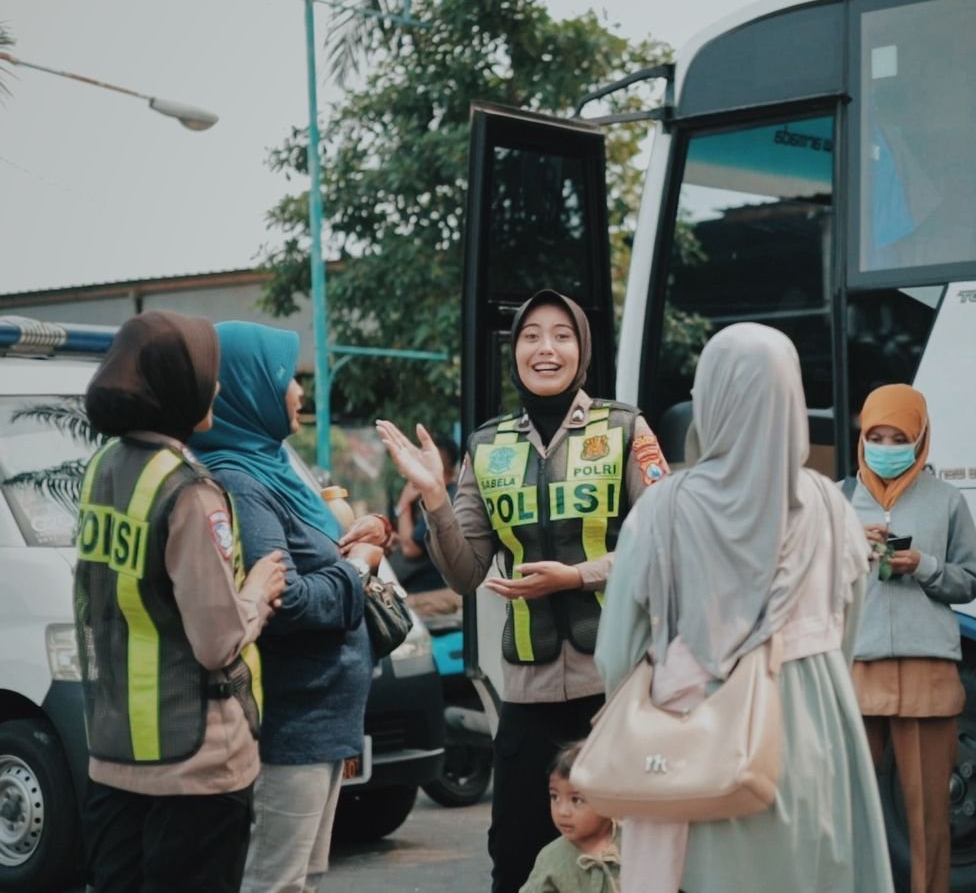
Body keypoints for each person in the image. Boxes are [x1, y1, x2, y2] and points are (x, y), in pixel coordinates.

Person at [376, 288, 668, 893]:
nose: (545, 348)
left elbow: (666, 541)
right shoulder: (488, 446)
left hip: (614, 685)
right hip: (528, 692)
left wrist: (578, 576)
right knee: (514, 857)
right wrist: (434, 498)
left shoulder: (623, 429)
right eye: (531, 335)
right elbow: (464, 573)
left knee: (633, 856)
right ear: (515, 351)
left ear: (581, 349)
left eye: (562, 335)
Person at [594, 323, 894, 893]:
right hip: (817, 740)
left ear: (709, 398)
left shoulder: (663, 510)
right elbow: (847, 631)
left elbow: (616, 655)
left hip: (700, 747)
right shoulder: (833, 506)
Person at [75, 311, 286, 893]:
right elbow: (216, 640)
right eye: (206, 373)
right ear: (177, 385)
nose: (215, 385)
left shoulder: (101, 471)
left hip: (114, 754)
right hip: (195, 766)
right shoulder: (190, 491)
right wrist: (259, 592)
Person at [189, 321, 388, 893]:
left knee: (302, 879)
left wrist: (362, 535)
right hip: (291, 725)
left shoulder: (274, 467)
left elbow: (312, 555)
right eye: (286, 379)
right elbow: (289, 599)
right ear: (248, 389)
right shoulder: (241, 480)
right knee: (275, 881)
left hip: (322, 721)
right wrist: (359, 567)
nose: (299, 392)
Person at [843, 383, 976, 893]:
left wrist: (924, 565)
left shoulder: (947, 499)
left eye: (898, 435)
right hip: (856, 673)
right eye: (875, 435)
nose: (885, 445)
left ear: (920, 437)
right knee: (850, 814)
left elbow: (971, 580)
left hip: (928, 675)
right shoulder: (837, 500)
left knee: (929, 818)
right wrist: (848, 552)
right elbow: (807, 582)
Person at [521, 741, 621, 893]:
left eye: (576, 800)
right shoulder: (551, 857)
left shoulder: (632, 845)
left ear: (608, 799)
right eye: (554, 796)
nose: (562, 812)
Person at [392, 431, 460, 619]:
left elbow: (410, 548)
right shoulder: (451, 493)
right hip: (430, 590)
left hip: (437, 594)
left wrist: (404, 503)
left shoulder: (443, 499)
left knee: (387, 612)